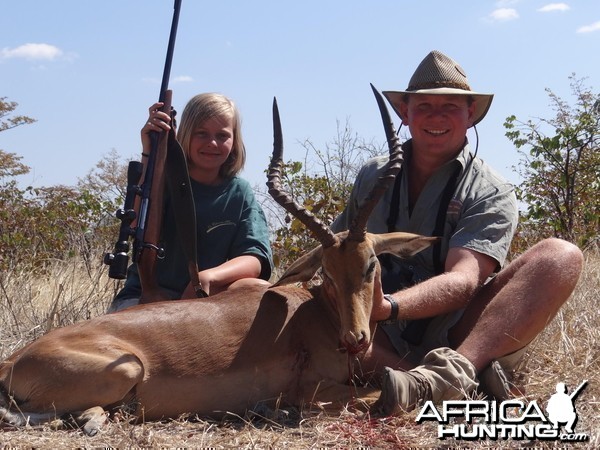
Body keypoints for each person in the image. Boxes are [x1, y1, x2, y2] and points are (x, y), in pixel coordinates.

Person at [332, 50, 584, 413]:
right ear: (405, 114)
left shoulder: (490, 189)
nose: (436, 116)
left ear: (470, 115)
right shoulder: (373, 175)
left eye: (450, 106)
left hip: (452, 329)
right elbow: (337, 250)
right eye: (424, 106)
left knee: (561, 256)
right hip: (371, 331)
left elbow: (465, 280)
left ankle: (452, 374)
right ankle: (425, 380)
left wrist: (387, 307)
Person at [108, 93, 273, 312]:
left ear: (234, 141)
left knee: (257, 288)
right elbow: (135, 224)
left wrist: (207, 278)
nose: (212, 143)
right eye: (201, 133)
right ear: (185, 135)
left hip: (202, 300)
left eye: (222, 135)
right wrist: (150, 152)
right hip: (142, 299)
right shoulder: (160, 180)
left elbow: (255, 257)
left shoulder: (239, 191)